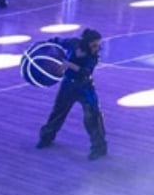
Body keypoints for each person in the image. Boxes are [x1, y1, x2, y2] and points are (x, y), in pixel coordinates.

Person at [36, 28, 107, 161]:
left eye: (98, 44)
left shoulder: (94, 56)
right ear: (86, 42)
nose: (97, 47)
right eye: (94, 44)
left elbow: (85, 73)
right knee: (57, 113)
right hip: (68, 85)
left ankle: (99, 148)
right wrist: (44, 47)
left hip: (85, 87)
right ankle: (46, 138)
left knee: (92, 116)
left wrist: (68, 64)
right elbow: (57, 41)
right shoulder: (73, 43)